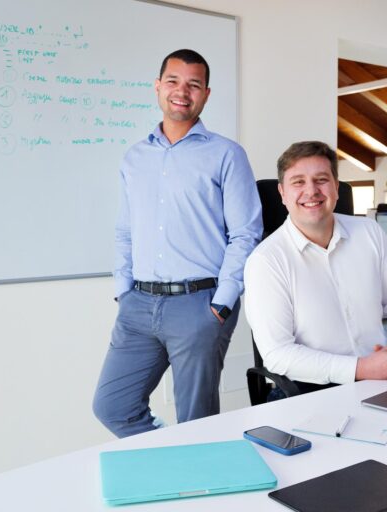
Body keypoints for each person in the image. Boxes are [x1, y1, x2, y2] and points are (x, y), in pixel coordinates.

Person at [93, 49, 263, 437]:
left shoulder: (227, 155)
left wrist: (221, 304)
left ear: (206, 94)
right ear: (158, 86)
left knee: (196, 423)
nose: (182, 92)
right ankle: (172, 457)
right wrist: (123, 291)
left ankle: (195, 468)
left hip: (198, 304)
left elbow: (245, 234)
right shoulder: (134, 157)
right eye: (173, 81)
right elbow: (125, 231)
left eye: (193, 84)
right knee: (113, 407)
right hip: (138, 305)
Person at [244, 141, 387, 400]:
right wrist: (362, 369)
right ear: (282, 193)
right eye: (298, 182)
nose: (311, 191)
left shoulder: (370, 233)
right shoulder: (266, 260)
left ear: (336, 188)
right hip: (309, 391)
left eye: (321, 180)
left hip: (384, 378)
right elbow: (277, 354)